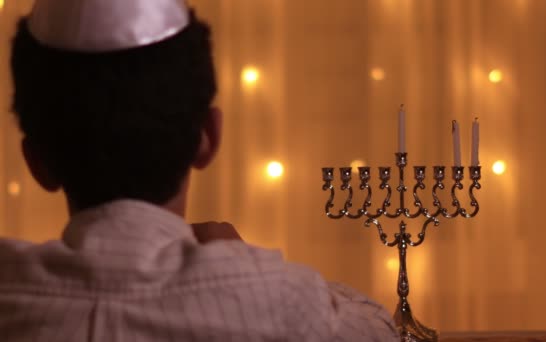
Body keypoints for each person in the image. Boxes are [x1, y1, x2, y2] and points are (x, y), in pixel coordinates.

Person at [2, 0, 400, 341]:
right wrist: (240, 261)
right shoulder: (285, 304)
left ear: (36, 161)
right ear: (208, 137)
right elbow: (385, 330)